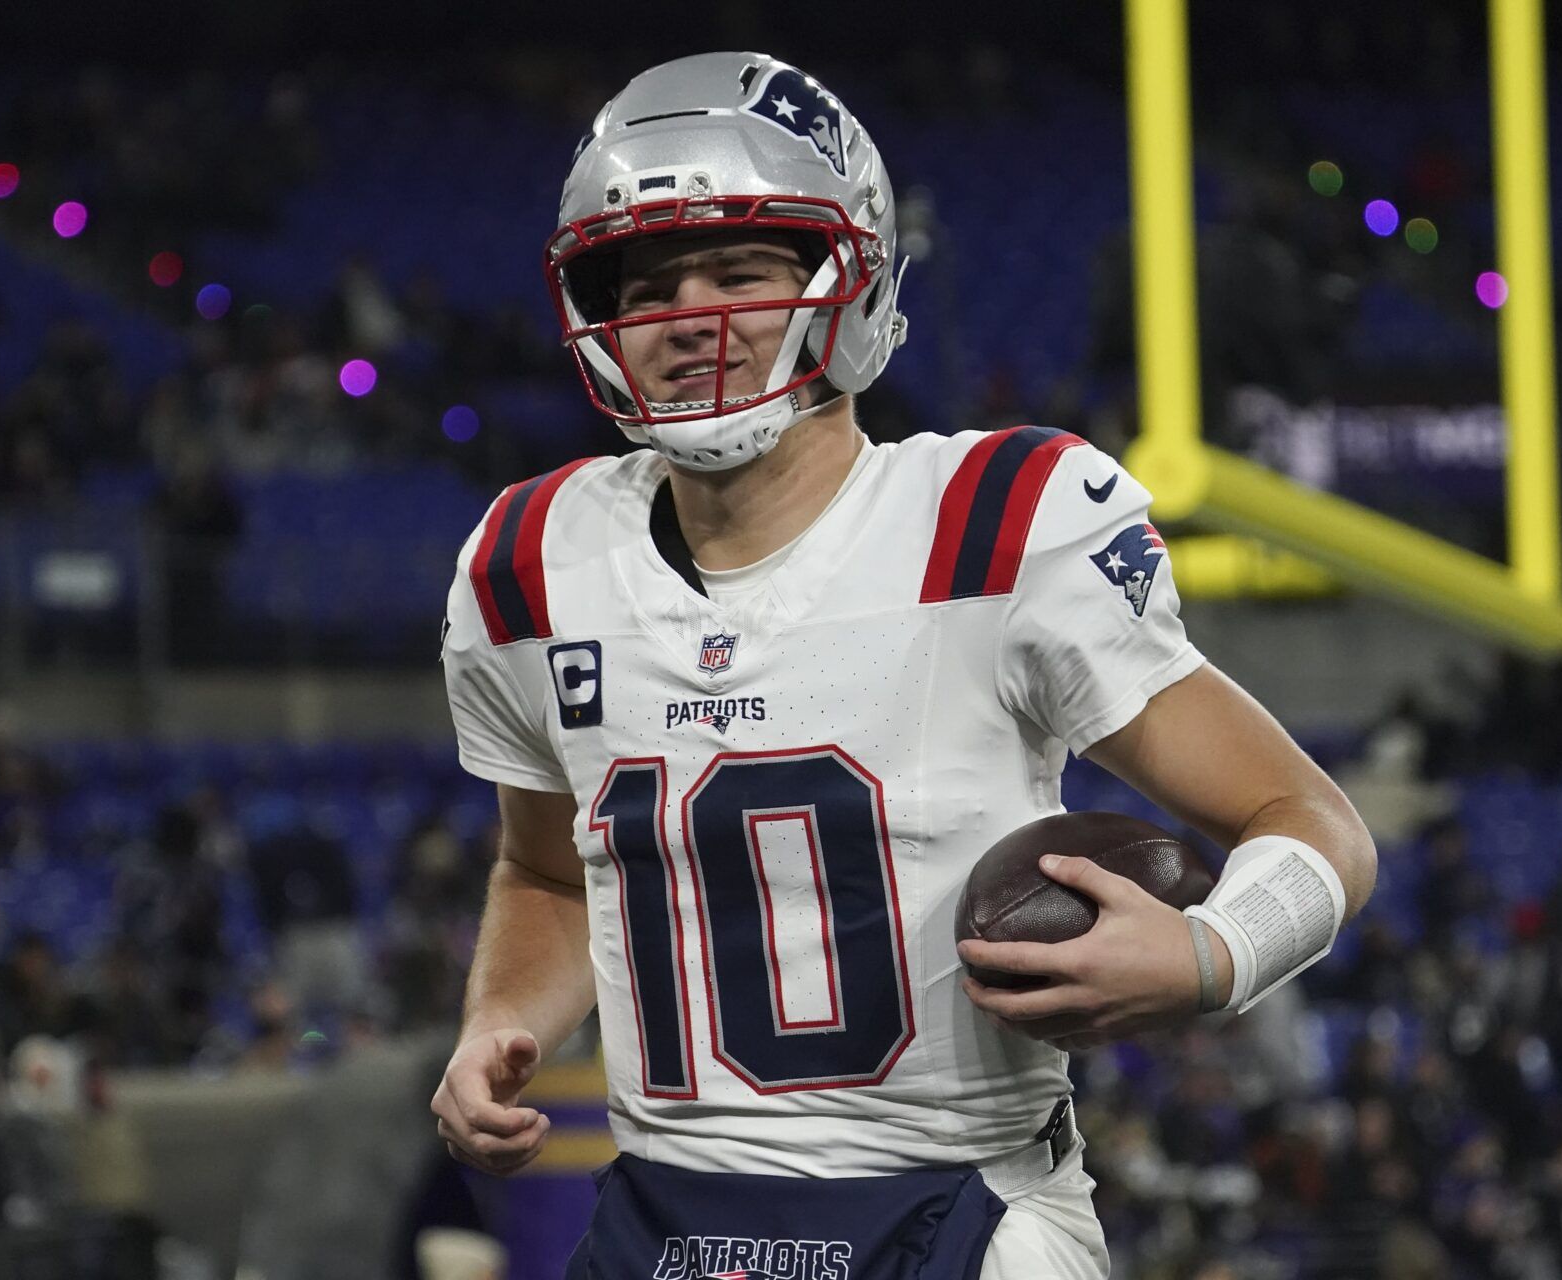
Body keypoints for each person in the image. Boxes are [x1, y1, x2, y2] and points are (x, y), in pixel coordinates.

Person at [431, 52, 1378, 1278]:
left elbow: (1313, 821)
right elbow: (549, 873)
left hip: (959, 1208)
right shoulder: (529, 559)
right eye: (649, 283)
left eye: (738, 270)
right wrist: (500, 1018)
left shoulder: (997, 519)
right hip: (664, 1217)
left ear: (849, 278)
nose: (686, 316)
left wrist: (1212, 953)